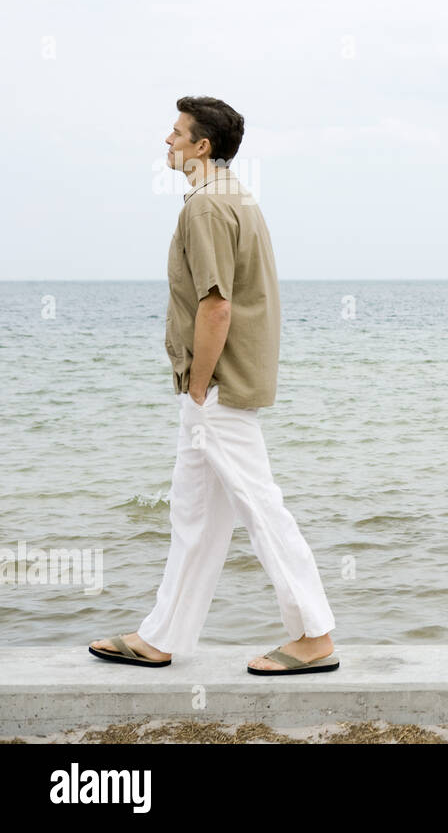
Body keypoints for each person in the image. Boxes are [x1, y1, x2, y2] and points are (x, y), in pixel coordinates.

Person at [89, 96, 339, 675]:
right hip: (220, 386)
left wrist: (198, 386)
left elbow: (217, 305)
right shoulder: (234, 197)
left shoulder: (205, 208)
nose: (167, 142)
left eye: (177, 134)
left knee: (260, 505)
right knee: (196, 516)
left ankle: (313, 634)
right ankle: (162, 635)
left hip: (216, 388)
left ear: (203, 146)